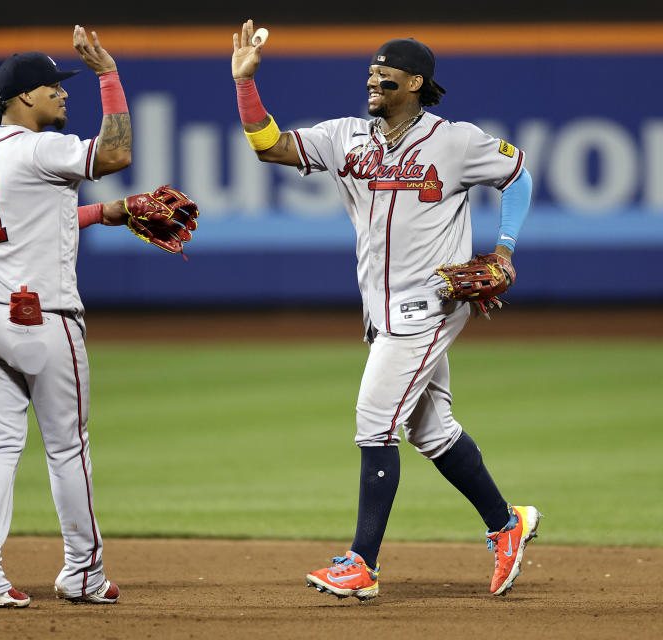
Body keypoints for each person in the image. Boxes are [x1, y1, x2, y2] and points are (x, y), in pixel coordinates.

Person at [230, 20, 540, 602]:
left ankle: (361, 564)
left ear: (416, 81)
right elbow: (269, 144)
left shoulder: (456, 140)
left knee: (375, 420)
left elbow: (517, 174)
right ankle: (507, 525)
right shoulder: (346, 136)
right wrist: (246, 84)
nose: (372, 79)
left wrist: (505, 250)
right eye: (370, 72)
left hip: (432, 302)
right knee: (431, 430)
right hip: (380, 307)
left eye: (385, 72)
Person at [0, 26, 137, 608]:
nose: (63, 94)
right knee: (67, 448)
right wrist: (109, 75)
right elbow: (118, 153)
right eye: (55, 86)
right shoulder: (42, 147)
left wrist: (100, 214)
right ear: (25, 97)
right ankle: (84, 572)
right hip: (39, 320)